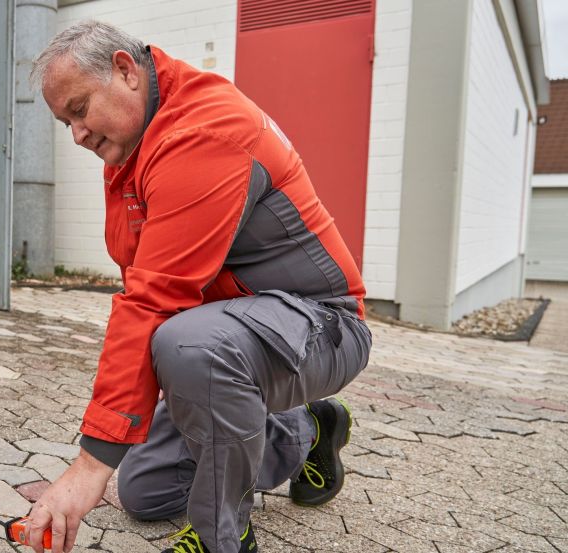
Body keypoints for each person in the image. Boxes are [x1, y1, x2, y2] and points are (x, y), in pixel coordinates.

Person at [25, 20, 372, 553]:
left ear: (125, 71)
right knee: (146, 491)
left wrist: (89, 465)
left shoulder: (205, 131)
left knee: (188, 347)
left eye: (79, 109)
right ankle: (306, 431)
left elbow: (153, 302)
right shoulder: (133, 145)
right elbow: (143, 286)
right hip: (237, 334)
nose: (76, 135)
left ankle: (223, 538)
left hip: (322, 326)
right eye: (64, 122)